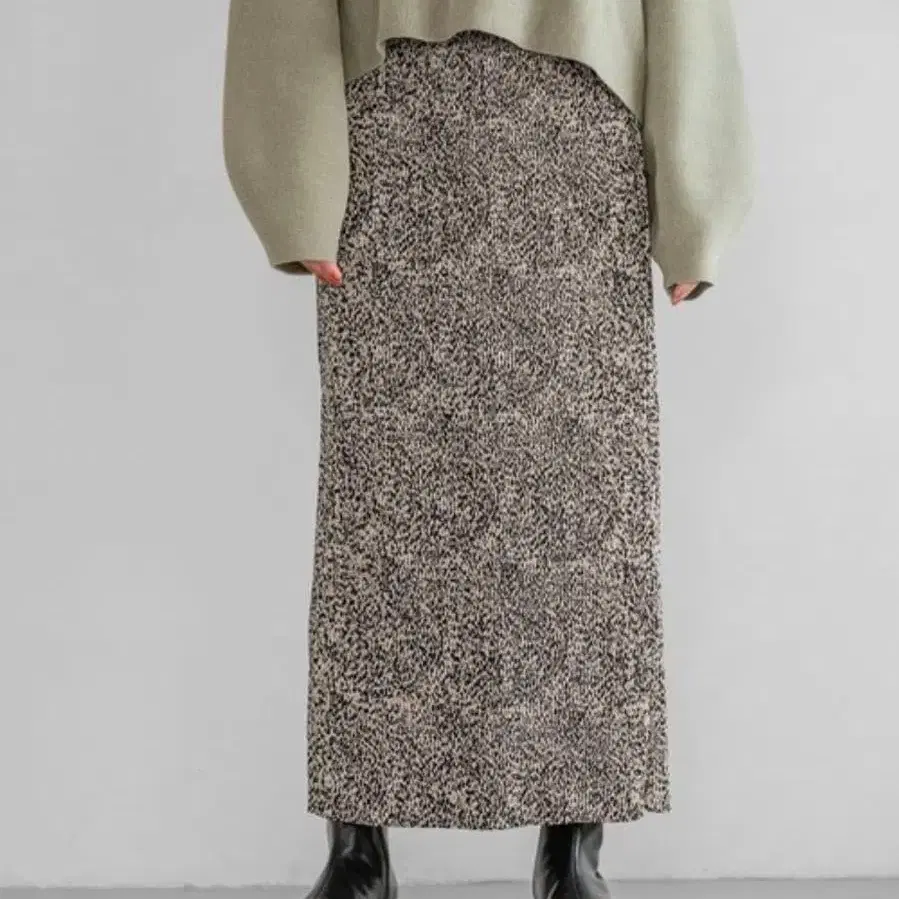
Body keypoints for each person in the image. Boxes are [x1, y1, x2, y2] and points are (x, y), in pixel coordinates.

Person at [222, 3, 754, 898]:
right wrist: (291, 180)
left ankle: (573, 843)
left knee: (579, 503)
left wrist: (697, 200)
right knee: (382, 509)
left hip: (580, 129)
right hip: (394, 125)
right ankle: (357, 846)